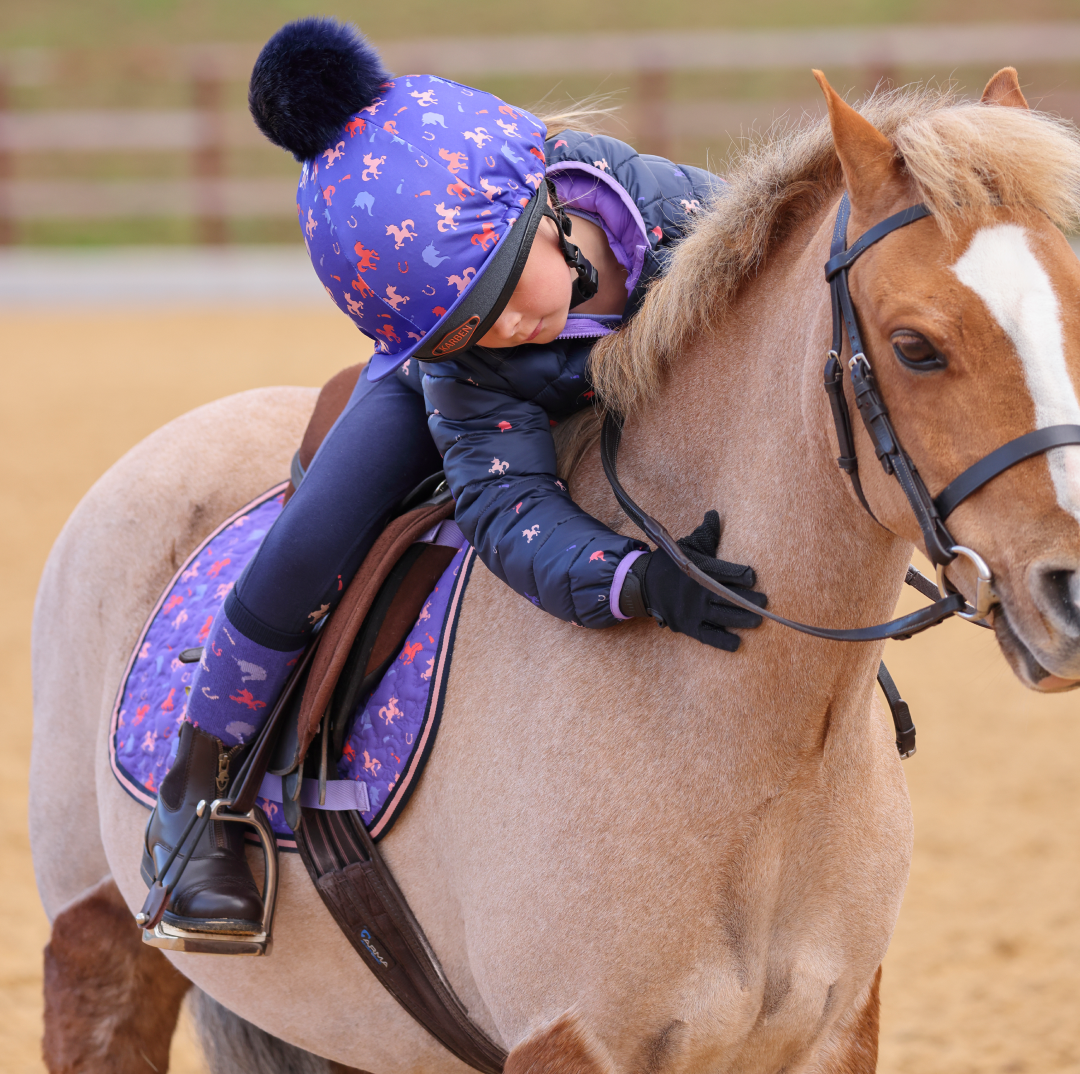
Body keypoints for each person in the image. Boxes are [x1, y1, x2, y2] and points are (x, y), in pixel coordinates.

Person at [141, 17, 766, 937]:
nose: (504, 332)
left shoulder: (690, 216)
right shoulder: (466, 360)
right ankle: (195, 797)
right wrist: (632, 579)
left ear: (545, 211)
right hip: (433, 390)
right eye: (468, 329)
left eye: (501, 299)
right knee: (306, 546)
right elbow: (507, 508)